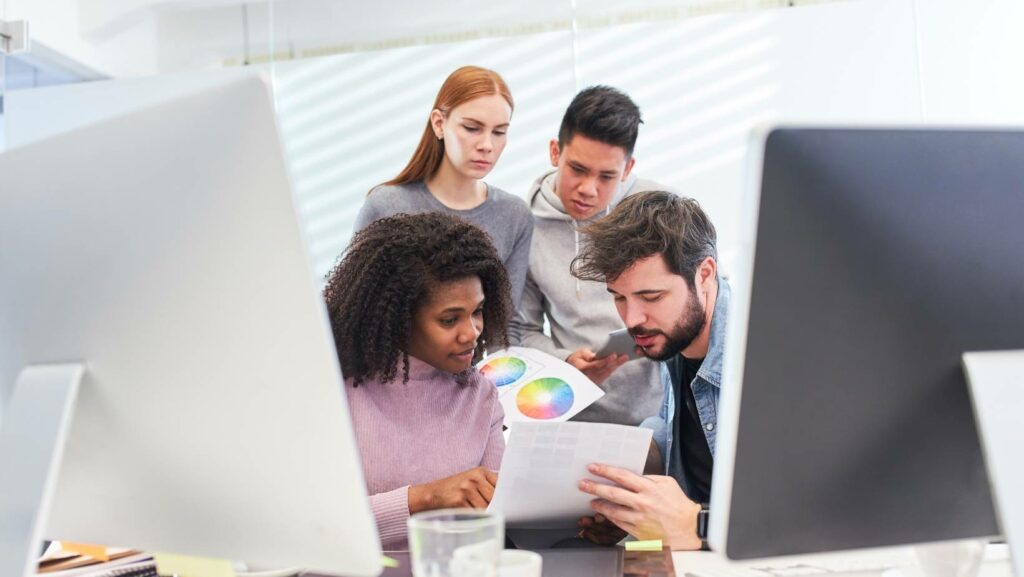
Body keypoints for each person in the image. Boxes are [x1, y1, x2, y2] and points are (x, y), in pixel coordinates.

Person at [323, 212, 512, 549]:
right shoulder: (332, 394)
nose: (472, 333)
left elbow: (497, 521)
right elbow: (313, 528)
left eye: (478, 311)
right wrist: (423, 499)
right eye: (449, 319)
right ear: (399, 319)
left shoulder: (481, 397)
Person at [570, 191, 729, 551]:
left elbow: (803, 510)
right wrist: (632, 515)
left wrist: (697, 526)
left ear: (704, 274)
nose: (631, 320)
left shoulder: (759, 357)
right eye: (619, 297)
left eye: (651, 297)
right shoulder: (674, 341)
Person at [509, 86, 669, 425]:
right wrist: (563, 360)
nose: (588, 189)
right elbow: (520, 329)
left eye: (606, 176)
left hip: (663, 415)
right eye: (577, 169)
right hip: (575, 414)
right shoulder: (523, 227)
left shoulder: (660, 210)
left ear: (628, 169)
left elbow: (710, 299)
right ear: (555, 152)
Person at [355, 66, 533, 307]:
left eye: (499, 132)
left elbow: (506, 321)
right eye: (472, 128)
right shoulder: (385, 206)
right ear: (439, 124)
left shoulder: (514, 215)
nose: (487, 145)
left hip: (482, 347)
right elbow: (357, 311)